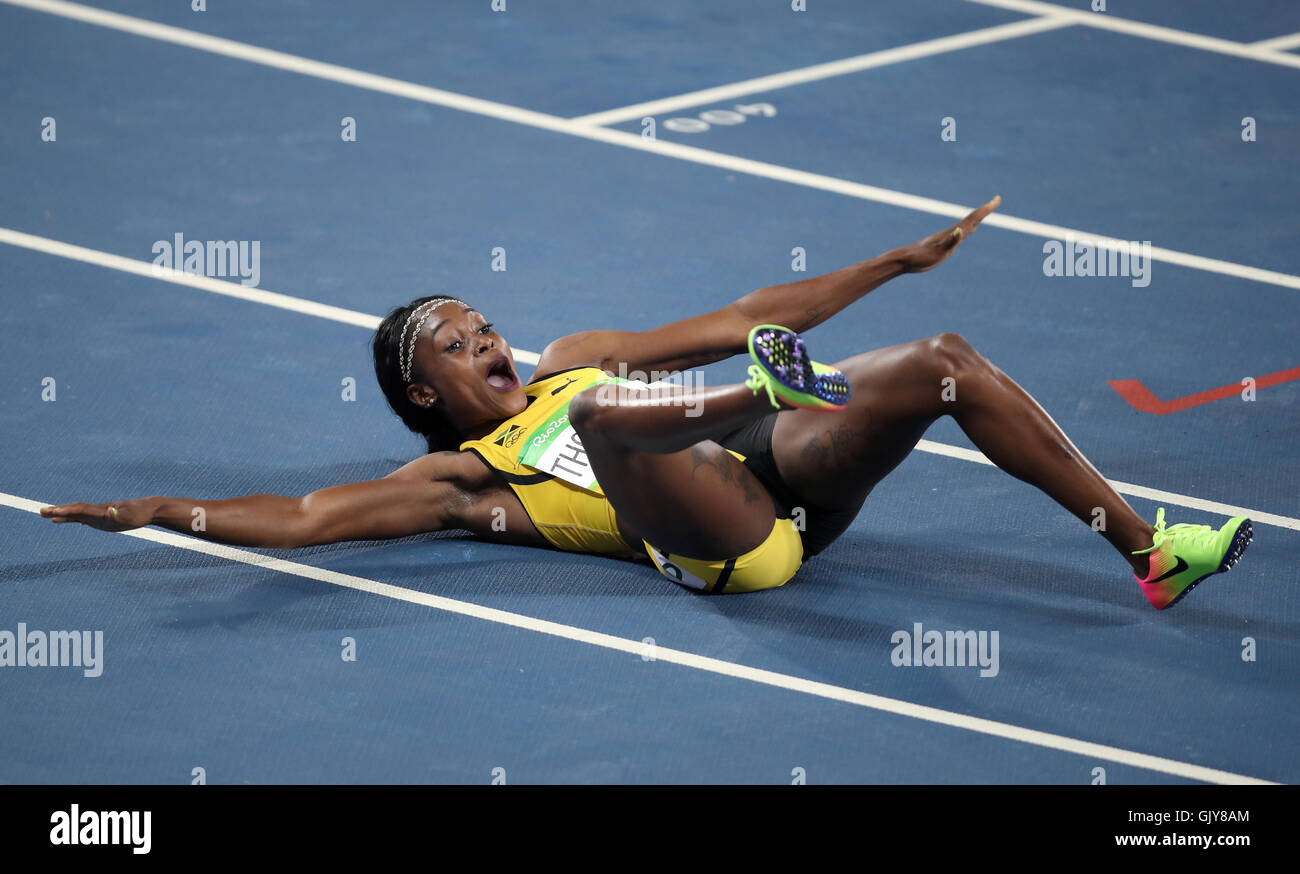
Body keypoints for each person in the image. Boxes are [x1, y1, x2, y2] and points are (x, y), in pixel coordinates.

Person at [40, 196, 1251, 608]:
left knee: (943, 357)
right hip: (727, 546)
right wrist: (157, 508)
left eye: (485, 323)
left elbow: (745, 305)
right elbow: (303, 519)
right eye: (463, 345)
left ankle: (1148, 554)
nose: (491, 340)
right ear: (428, 393)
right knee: (613, 423)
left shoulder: (573, 352)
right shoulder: (456, 479)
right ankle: (761, 396)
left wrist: (890, 265)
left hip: (784, 472)